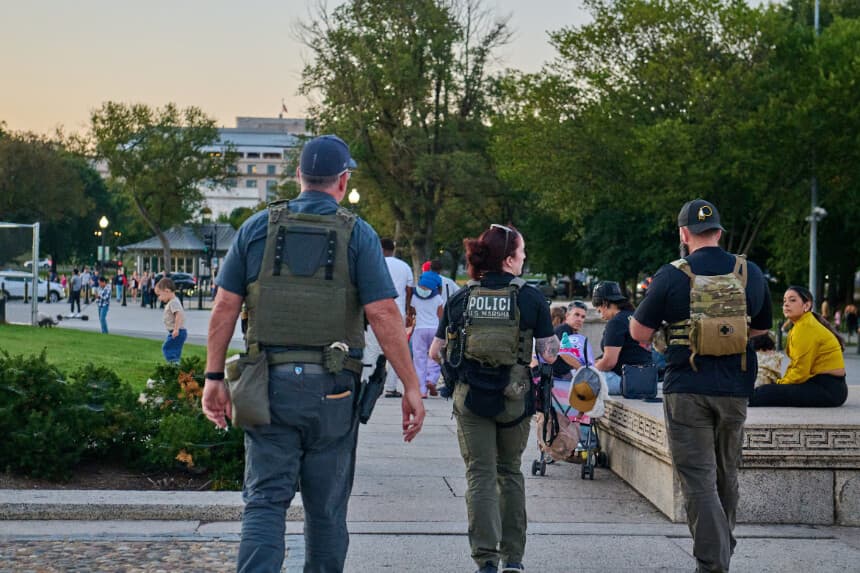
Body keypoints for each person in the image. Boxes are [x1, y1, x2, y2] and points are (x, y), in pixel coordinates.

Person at [202, 134, 425, 573]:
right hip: (334, 392)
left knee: (265, 502)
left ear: (299, 176)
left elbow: (225, 305)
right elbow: (382, 312)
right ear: (343, 181)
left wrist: (213, 378)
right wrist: (412, 385)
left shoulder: (256, 227)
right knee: (325, 512)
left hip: (267, 388)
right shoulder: (357, 233)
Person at [629, 199, 772, 573]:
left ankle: (713, 563)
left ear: (683, 234)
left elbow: (639, 332)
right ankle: (721, 549)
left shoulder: (673, 274)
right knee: (727, 475)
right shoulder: (748, 271)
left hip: (686, 388)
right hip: (736, 389)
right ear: (720, 232)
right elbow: (761, 328)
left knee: (698, 481)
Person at [429, 223, 557, 573]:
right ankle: (513, 558)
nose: (525, 258)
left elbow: (433, 351)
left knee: (480, 474)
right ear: (510, 259)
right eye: (523, 253)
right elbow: (547, 354)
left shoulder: (461, 297)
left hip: (470, 398)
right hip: (514, 398)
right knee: (510, 471)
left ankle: (485, 559)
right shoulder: (530, 297)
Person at [750, 286, 847, 407]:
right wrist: (781, 383)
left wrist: (780, 384)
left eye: (792, 300)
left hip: (828, 390)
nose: (786, 304)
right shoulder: (802, 325)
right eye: (784, 301)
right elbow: (796, 365)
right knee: (769, 389)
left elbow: (800, 371)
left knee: (766, 392)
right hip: (825, 385)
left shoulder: (806, 327)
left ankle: (740, 401)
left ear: (806, 306)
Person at [360, 237, 414, 399]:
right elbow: (409, 290)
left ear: (379, 248)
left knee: (371, 349)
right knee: (396, 351)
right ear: (393, 249)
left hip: (373, 312)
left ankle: (366, 382)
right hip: (397, 313)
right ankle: (391, 388)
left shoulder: (372, 264)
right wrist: (409, 312)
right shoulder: (404, 267)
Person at [591, 281, 652, 394]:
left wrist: (590, 368)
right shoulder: (634, 316)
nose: (601, 316)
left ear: (605, 303)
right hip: (647, 379)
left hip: (627, 381)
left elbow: (609, 362)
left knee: (582, 379)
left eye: (599, 310)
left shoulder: (616, 322)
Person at [410, 274, 443, 397]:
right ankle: (432, 379)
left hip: (419, 330)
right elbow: (441, 316)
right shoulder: (438, 298)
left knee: (419, 359)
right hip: (435, 330)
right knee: (435, 356)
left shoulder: (414, 297)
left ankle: (422, 390)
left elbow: (412, 312)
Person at [155, 277, 187, 364]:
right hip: (177, 331)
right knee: (174, 351)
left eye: (159, 295)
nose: (159, 298)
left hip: (177, 331)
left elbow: (178, 315)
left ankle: (174, 366)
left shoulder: (173, 302)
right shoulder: (173, 301)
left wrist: (176, 329)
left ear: (167, 291)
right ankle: (175, 365)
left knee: (167, 348)